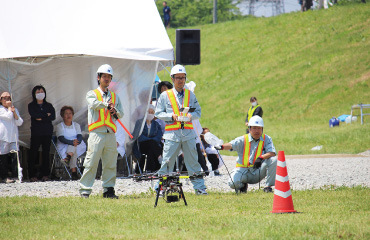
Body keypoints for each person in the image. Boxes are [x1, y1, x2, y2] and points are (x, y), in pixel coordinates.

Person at [155, 64, 207, 195]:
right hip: (172, 134)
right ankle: (161, 188)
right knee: (167, 162)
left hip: (188, 134)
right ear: (172, 78)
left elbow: (198, 111)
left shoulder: (190, 95)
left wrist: (191, 116)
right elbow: (158, 113)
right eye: (177, 78)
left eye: (183, 78)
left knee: (193, 162)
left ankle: (200, 189)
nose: (180, 80)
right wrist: (170, 116)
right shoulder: (165, 95)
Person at [79, 64, 123, 199]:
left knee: (110, 163)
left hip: (110, 134)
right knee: (91, 162)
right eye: (104, 76)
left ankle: (108, 190)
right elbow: (94, 104)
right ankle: (85, 190)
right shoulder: (92, 93)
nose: (107, 79)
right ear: (98, 78)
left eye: (109, 77)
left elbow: (121, 113)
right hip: (96, 133)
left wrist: (115, 111)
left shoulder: (115, 97)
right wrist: (106, 105)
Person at [216, 116, 277, 193]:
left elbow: (272, 152)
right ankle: (242, 186)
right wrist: (221, 147)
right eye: (254, 128)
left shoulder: (267, 138)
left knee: (274, 160)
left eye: (259, 128)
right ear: (249, 129)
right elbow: (231, 145)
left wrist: (261, 158)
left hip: (258, 170)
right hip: (243, 170)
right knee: (232, 183)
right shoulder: (243, 139)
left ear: (262, 129)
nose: (256, 131)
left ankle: (268, 187)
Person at [28, 85, 56, 182]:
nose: (40, 93)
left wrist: (41, 117)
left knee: (46, 153)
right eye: (38, 92)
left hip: (47, 132)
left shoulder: (49, 105)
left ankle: (45, 174)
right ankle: (31, 174)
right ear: (34, 94)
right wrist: (46, 115)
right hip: (36, 132)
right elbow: (35, 116)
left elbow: (53, 116)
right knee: (33, 153)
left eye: (42, 91)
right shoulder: (31, 105)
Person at [56, 106, 86, 180]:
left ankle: (68, 158)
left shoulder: (76, 125)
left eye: (70, 113)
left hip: (77, 144)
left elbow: (79, 136)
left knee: (73, 148)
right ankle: (74, 172)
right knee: (73, 148)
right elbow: (61, 138)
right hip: (64, 145)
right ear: (62, 116)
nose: (68, 115)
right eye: (66, 114)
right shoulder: (60, 126)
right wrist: (71, 142)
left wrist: (76, 142)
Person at [0, 92, 23, 183]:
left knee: (15, 155)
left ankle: (15, 176)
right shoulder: (1, 110)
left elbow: (19, 122)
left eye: (8, 97)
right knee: (3, 157)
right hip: (3, 136)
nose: (7, 99)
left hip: (13, 136)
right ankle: (4, 177)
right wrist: (10, 109)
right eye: (4, 98)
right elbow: (8, 117)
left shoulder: (14, 109)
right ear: (1, 100)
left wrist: (15, 113)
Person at [132, 105, 163, 173]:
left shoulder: (156, 124)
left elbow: (159, 135)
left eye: (152, 112)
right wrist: (150, 140)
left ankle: (149, 170)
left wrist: (152, 141)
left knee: (151, 148)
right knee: (152, 144)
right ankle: (159, 158)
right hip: (142, 145)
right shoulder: (140, 123)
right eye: (148, 112)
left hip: (152, 146)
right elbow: (138, 135)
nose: (150, 114)